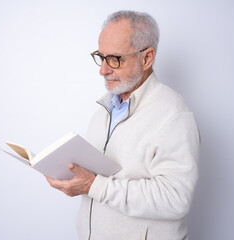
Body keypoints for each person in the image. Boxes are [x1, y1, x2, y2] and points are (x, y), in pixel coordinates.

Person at [46, 10, 200, 240]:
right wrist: (74, 177)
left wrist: (93, 186)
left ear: (147, 58)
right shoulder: (104, 109)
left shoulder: (175, 114)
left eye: (115, 59)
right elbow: (98, 178)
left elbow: (175, 198)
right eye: (101, 56)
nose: (103, 70)